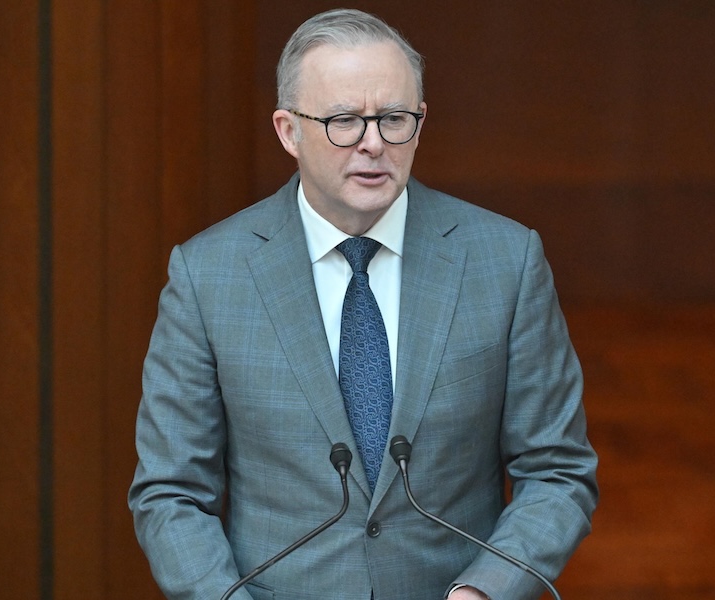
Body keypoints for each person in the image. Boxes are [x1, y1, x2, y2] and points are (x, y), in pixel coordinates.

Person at [128, 8, 598, 600]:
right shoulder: (208, 276)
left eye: (395, 119)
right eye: (344, 121)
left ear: (421, 122)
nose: (374, 144)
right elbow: (170, 493)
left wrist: (486, 590)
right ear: (287, 130)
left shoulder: (506, 261)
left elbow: (558, 472)